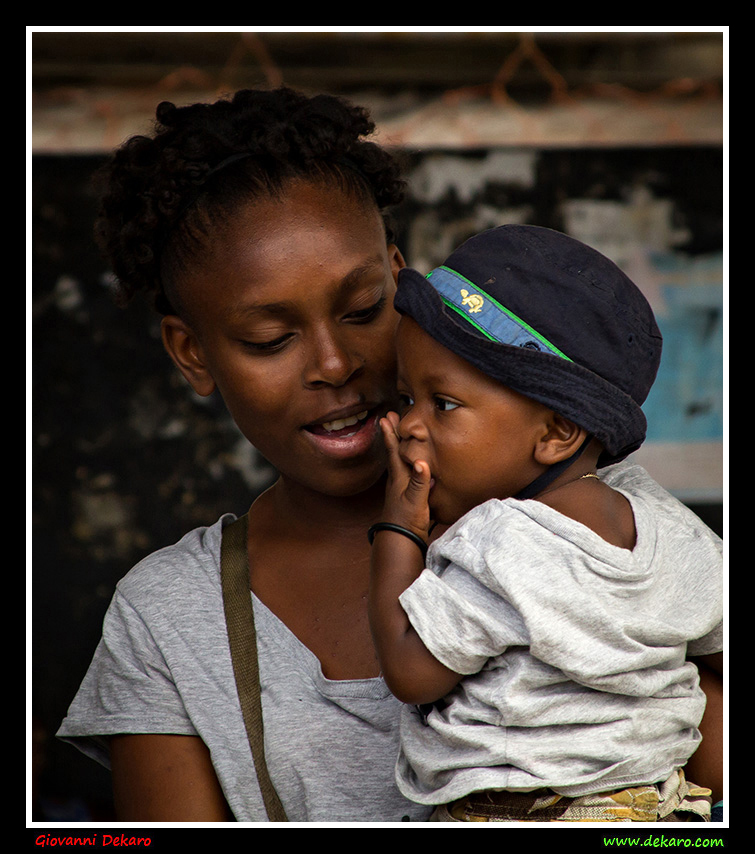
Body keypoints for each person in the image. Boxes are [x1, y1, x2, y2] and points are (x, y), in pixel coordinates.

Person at [55, 87, 722, 824]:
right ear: (192, 353)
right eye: (269, 340)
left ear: (405, 287)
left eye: (364, 308)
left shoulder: (613, 536)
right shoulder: (170, 620)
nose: (334, 364)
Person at [367, 224, 724, 822]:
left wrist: (397, 529)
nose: (407, 426)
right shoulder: (674, 528)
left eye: (443, 404)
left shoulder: (500, 540)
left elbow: (410, 671)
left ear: (557, 433)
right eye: (406, 399)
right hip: (661, 813)